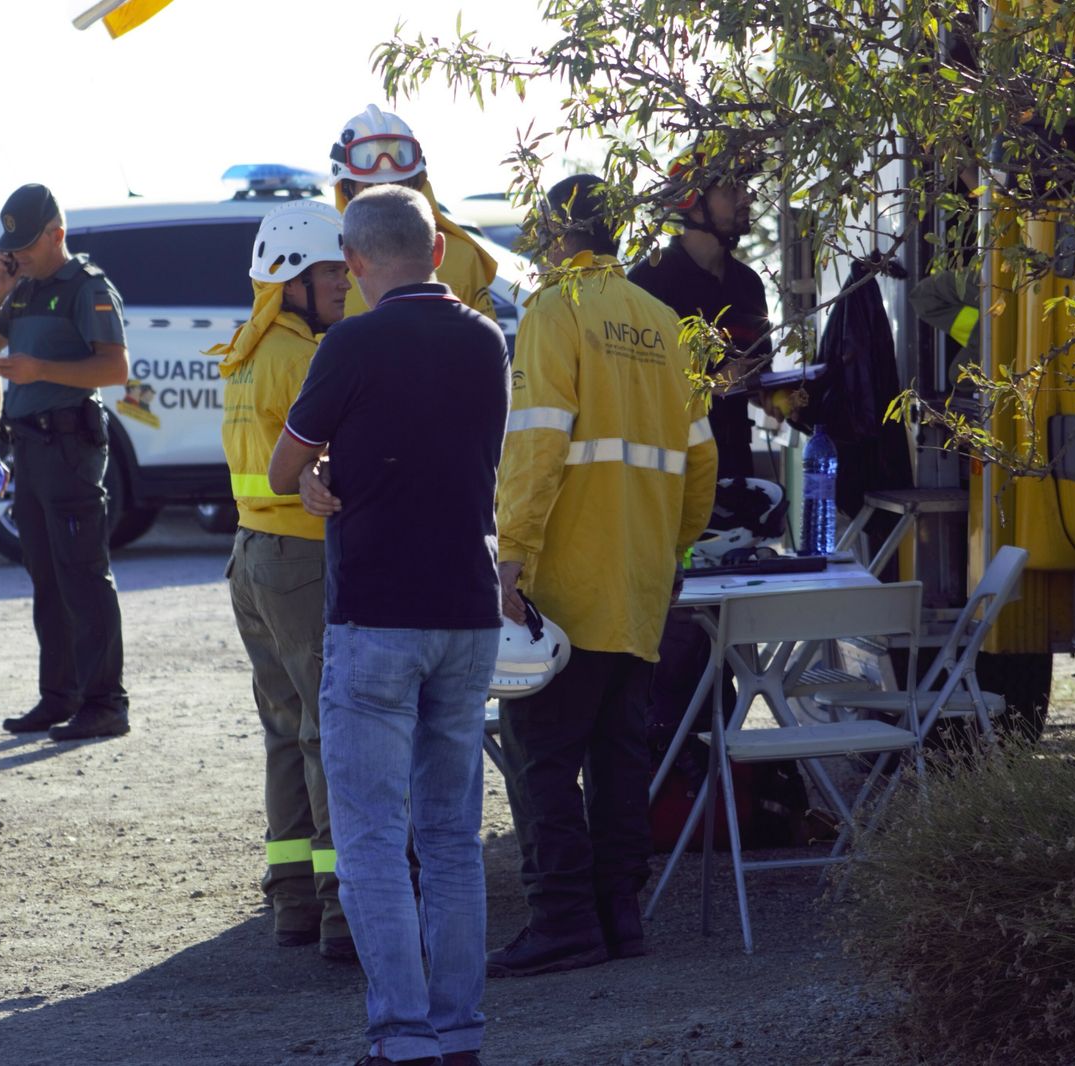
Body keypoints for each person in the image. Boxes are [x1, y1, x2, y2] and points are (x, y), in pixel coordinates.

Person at [268, 185, 508, 1066]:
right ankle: (459, 1032)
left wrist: (315, 472)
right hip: (466, 611)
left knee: (371, 834)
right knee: (451, 834)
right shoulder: (487, 340)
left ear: (355, 262)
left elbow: (284, 458)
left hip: (376, 612)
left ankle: (402, 1032)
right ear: (438, 251)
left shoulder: (350, 341)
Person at [487, 175, 718, 978]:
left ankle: (562, 921)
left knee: (540, 752)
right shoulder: (665, 323)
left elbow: (536, 444)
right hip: (642, 582)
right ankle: (621, 917)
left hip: (567, 583)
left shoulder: (555, 311)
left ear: (554, 235)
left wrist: (510, 555)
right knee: (621, 754)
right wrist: (669, 548)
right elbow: (701, 463)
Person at [209, 200, 355, 959]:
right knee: (330, 734)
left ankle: (294, 903)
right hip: (303, 558)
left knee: (286, 734)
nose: (343, 283)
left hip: (255, 556)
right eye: (331, 270)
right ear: (293, 279)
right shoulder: (302, 354)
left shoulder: (250, 345)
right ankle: (341, 915)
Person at [0, 183, 132, 742]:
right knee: (47, 577)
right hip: (29, 448)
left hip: (71, 446)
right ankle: (60, 695)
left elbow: (114, 369)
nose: (20, 254)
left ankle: (105, 702)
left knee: (83, 575)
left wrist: (40, 371)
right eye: (12, 245)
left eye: (27, 245)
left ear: (57, 234)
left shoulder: (86, 287)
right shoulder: (23, 288)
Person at [627, 140, 772, 481]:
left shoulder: (749, 285)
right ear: (692, 204)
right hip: (670, 475)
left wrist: (776, 397)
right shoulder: (650, 282)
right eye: (731, 189)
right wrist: (710, 386)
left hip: (735, 467)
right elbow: (632, 386)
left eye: (744, 187)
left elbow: (757, 377)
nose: (746, 198)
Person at [330, 104, 499, 322]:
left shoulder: (462, 257)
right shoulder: (323, 265)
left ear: (416, 186)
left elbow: (483, 348)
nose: (386, 204)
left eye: (396, 189)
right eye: (371, 190)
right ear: (347, 190)